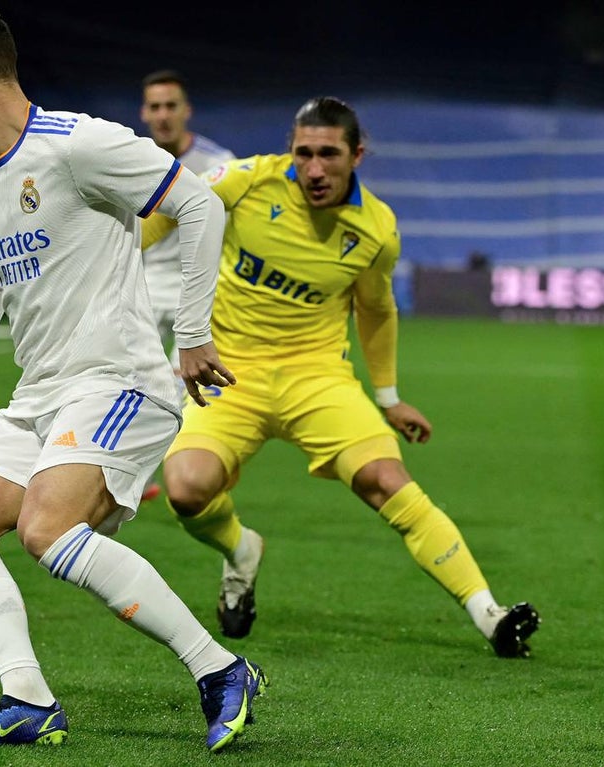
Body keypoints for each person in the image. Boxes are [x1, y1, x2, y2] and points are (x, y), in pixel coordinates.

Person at [0, 4, 265, 752]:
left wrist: (193, 336)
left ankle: (221, 667)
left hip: (120, 381)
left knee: (46, 527)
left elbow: (198, 204)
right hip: (41, 392)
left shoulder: (79, 144)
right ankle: (27, 697)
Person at [144, 96, 541, 658]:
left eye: (328, 154)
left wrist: (389, 396)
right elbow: (164, 212)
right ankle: (240, 552)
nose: (313, 168)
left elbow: (376, 310)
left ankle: (489, 615)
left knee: (387, 481)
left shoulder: (377, 228)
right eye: (302, 153)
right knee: (185, 490)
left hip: (317, 377)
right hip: (231, 372)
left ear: (356, 154)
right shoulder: (246, 181)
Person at [137, 69, 236, 503]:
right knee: (123, 380)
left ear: (186, 111)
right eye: (154, 107)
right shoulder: (128, 157)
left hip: (194, 287)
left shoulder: (220, 163)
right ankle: (130, 479)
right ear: (144, 112)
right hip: (137, 281)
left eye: (170, 106)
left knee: (191, 388)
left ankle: (193, 472)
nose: (163, 115)